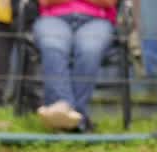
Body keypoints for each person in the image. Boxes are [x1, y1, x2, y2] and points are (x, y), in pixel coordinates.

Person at [30, 0, 118, 132]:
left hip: (97, 20)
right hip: (52, 19)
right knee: (52, 45)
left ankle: (64, 117)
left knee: (90, 49)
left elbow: (108, 2)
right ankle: (73, 117)